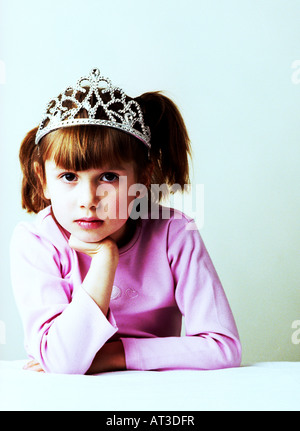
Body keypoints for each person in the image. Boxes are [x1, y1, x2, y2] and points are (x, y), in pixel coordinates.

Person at [10, 68, 241, 374]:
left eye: (108, 177)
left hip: (156, 396)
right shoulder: (37, 242)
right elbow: (66, 361)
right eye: (68, 177)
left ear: (142, 180)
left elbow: (223, 347)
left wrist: (112, 356)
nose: (88, 199)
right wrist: (106, 258)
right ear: (43, 181)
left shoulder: (174, 233)